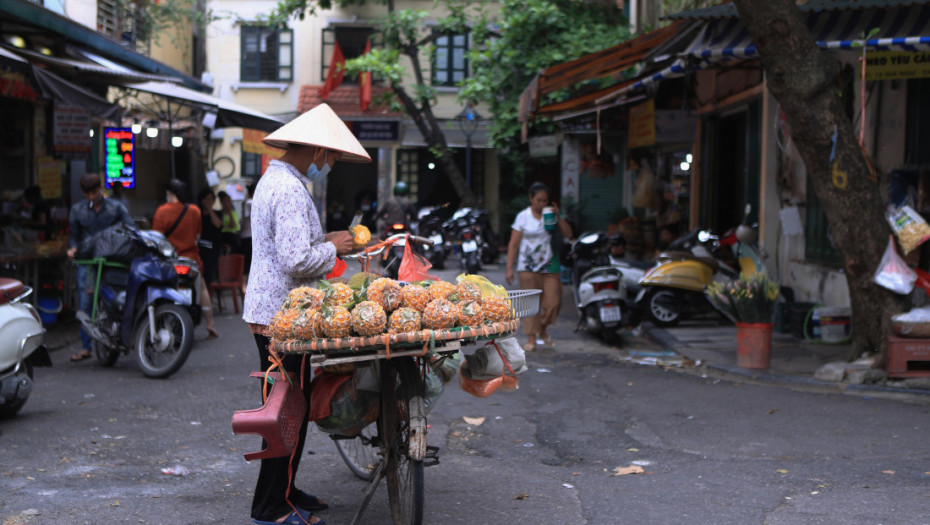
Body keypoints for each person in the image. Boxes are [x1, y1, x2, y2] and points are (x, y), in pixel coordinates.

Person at [243, 102, 369, 525]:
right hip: (282, 318)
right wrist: (336, 247)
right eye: (331, 157)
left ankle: (286, 490)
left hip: (278, 313)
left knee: (289, 406)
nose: (330, 165)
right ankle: (270, 508)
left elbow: (293, 246)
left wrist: (328, 238)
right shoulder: (291, 190)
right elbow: (297, 260)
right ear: (316, 152)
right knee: (285, 411)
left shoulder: (276, 179)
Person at [67, 173, 135, 361]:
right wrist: (72, 248)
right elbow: (74, 235)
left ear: (101, 190)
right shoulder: (77, 210)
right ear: (83, 193)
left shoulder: (116, 208)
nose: (91, 197)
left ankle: (114, 337)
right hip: (87, 262)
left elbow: (130, 229)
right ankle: (86, 346)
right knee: (85, 301)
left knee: (112, 299)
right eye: (87, 194)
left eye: (94, 192)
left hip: (110, 261)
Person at [505, 182, 572, 351]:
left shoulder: (550, 215)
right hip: (527, 267)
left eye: (545, 201)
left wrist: (558, 216)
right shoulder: (523, 216)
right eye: (539, 200)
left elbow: (569, 234)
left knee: (553, 303)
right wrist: (509, 268)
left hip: (550, 266)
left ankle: (542, 328)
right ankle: (532, 337)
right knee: (530, 305)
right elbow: (514, 243)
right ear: (531, 198)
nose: (542, 204)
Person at [152, 179, 219, 340]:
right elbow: (197, 236)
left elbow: (157, 239)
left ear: (169, 193)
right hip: (191, 260)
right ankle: (210, 324)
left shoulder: (162, 211)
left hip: (170, 261)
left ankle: (160, 322)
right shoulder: (194, 210)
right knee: (202, 288)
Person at [198, 188, 223, 288]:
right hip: (200, 247)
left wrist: (210, 210)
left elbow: (218, 225)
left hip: (213, 249)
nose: (209, 202)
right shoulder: (197, 214)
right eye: (206, 199)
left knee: (209, 274)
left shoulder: (217, 213)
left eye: (211, 199)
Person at [240, 182, 256, 295]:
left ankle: (245, 284)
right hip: (249, 236)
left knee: (248, 261)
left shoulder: (246, 202)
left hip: (246, 236)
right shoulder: (250, 203)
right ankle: (244, 285)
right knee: (248, 261)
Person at [218, 190, 242, 254]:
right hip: (223, 235)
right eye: (224, 201)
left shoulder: (233, 213)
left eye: (228, 201)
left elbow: (233, 225)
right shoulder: (220, 213)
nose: (226, 203)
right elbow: (220, 225)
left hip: (232, 235)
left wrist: (229, 212)